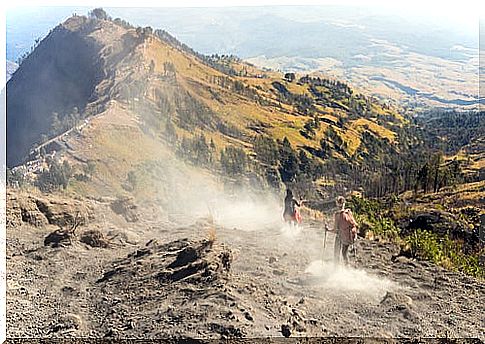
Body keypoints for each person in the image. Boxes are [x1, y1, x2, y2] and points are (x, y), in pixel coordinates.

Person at [329, 196, 358, 265]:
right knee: (344, 253)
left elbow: (335, 230)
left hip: (340, 236)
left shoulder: (337, 215)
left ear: (337, 204)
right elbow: (355, 224)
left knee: (336, 253)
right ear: (344, 204)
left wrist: (328, 230)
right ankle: (347, 267)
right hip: (348, 237)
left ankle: (336, 269)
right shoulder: (348, 212)